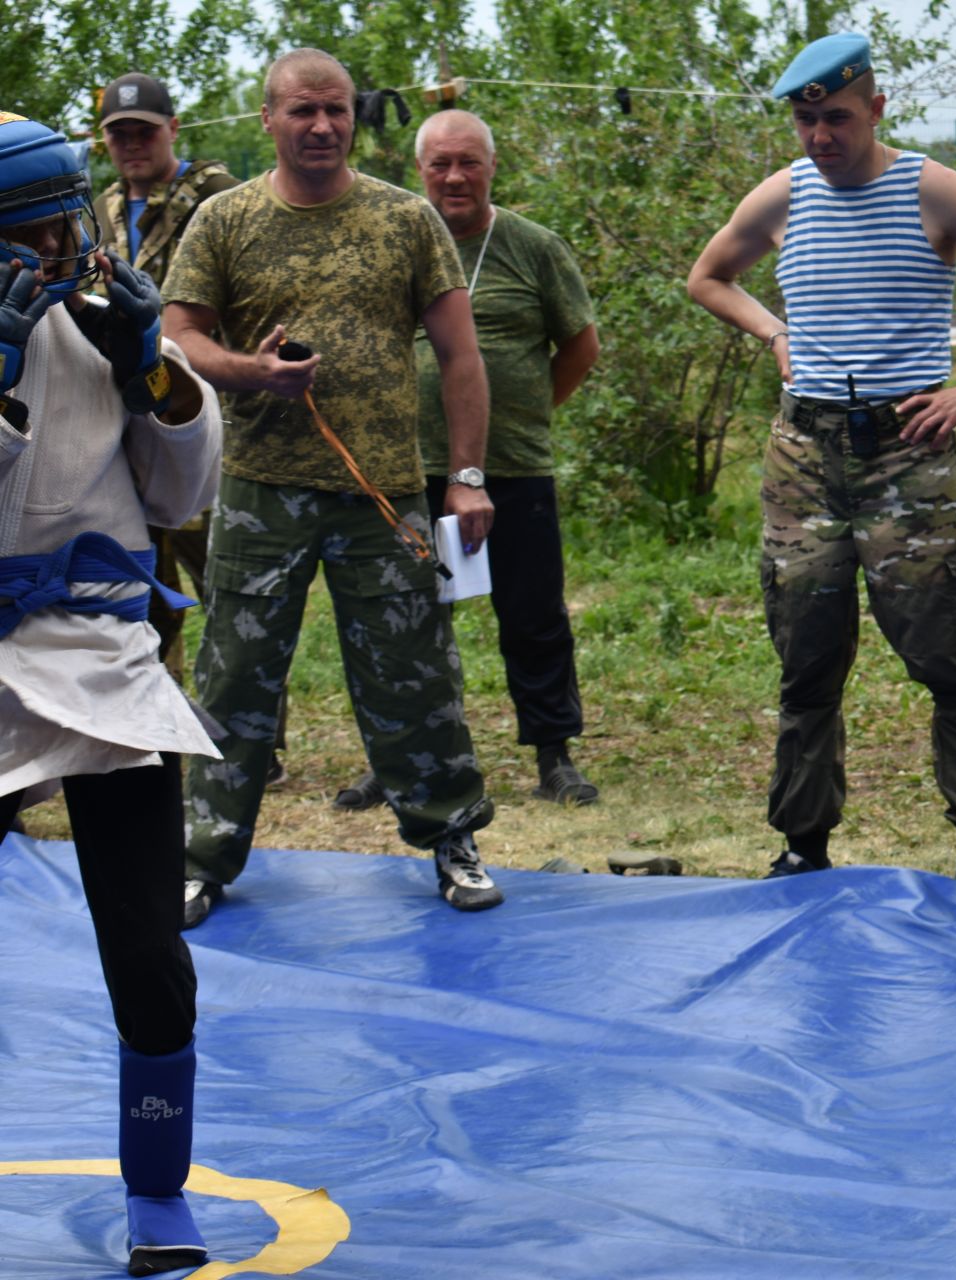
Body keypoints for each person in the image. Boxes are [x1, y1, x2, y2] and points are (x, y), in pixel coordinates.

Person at [687, 32, 956, 887]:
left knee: (949, 655)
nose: (819, 137)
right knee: (807, 660)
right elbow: (708, 276)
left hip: (909, 453)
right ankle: (803, 844)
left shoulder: (930, 189)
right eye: (805, 121)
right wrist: (773, 330)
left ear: (876, 109)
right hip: (804, 456)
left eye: (835, 119)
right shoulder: (785, 195)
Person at [164, 48, 503, 926]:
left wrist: (465, 478)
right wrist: (249, 372)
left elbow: (463, 358)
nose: (322, 126)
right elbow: (179, 338)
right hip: (259, 490)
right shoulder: (223, 220)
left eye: (337, 111)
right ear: (267, 120)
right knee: (234, 677)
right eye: (303, 112)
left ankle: (452, 840)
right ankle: (201, 858)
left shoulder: (407, 220)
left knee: (414, 675)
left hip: (384, 496)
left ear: (356, 118)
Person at [0, 111, 224, 1276]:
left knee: (144, 935)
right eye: (28, 237)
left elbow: (182, 496)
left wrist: (153, 374)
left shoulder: (108, 324)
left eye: (62, 227)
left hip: (100, 658)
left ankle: (158, 1187)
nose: (55, 254)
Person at [332, 109, 602, 810]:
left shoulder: (533, 247)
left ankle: (554, 755)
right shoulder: (392, 245)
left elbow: (579, 347)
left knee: (533, 612)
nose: (454, 177)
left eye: (469, 162)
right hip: (404, 468)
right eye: (439, 164)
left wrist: (525, 415)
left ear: (491, 166)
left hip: (513, 466)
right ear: (419, 171)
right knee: (404, 619)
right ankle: (396, 759)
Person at [92, 73, 246, 693]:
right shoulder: (100, 209)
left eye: (144, 132)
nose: (132, 144)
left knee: (227, 585)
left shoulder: (213, 196)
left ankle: (248, 738)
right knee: (144, 585)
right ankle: (162, 716)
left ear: (173, 129)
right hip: (124, 424)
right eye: (119, 134)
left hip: (199, 417)